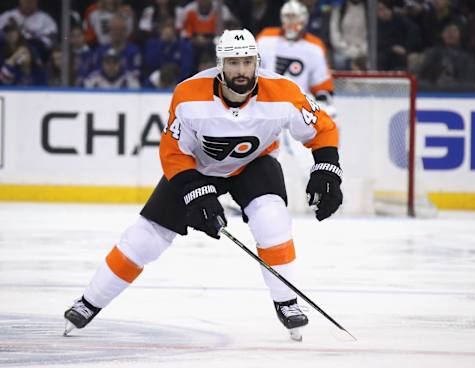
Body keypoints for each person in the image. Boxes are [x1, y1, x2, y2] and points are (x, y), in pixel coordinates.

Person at [63, 28, 342, 339]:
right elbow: (172, 152)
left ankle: (287, 302)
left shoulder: (284, 92)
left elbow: (323, 130)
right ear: (220, 64)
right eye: (233, 63)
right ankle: (89, 302)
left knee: (272, 219)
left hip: (254, 165)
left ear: (257, 63)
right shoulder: (188, 94)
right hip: (197, 168)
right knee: (144, 239)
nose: (241, 71)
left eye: (248, 62)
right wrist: (197, 193)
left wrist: (328, 170)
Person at [256, 0, 336, 212]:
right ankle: (254, 196)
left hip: (298, 107)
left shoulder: (314, 46)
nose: (291, 23)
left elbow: (323, 87)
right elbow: (250, 71)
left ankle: (319, 192)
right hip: (267, 107)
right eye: (287, 17)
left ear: (304, 19)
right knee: (263, 154)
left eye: (295, 18)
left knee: (305, 154)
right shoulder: (266, 38)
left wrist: (323, 104)